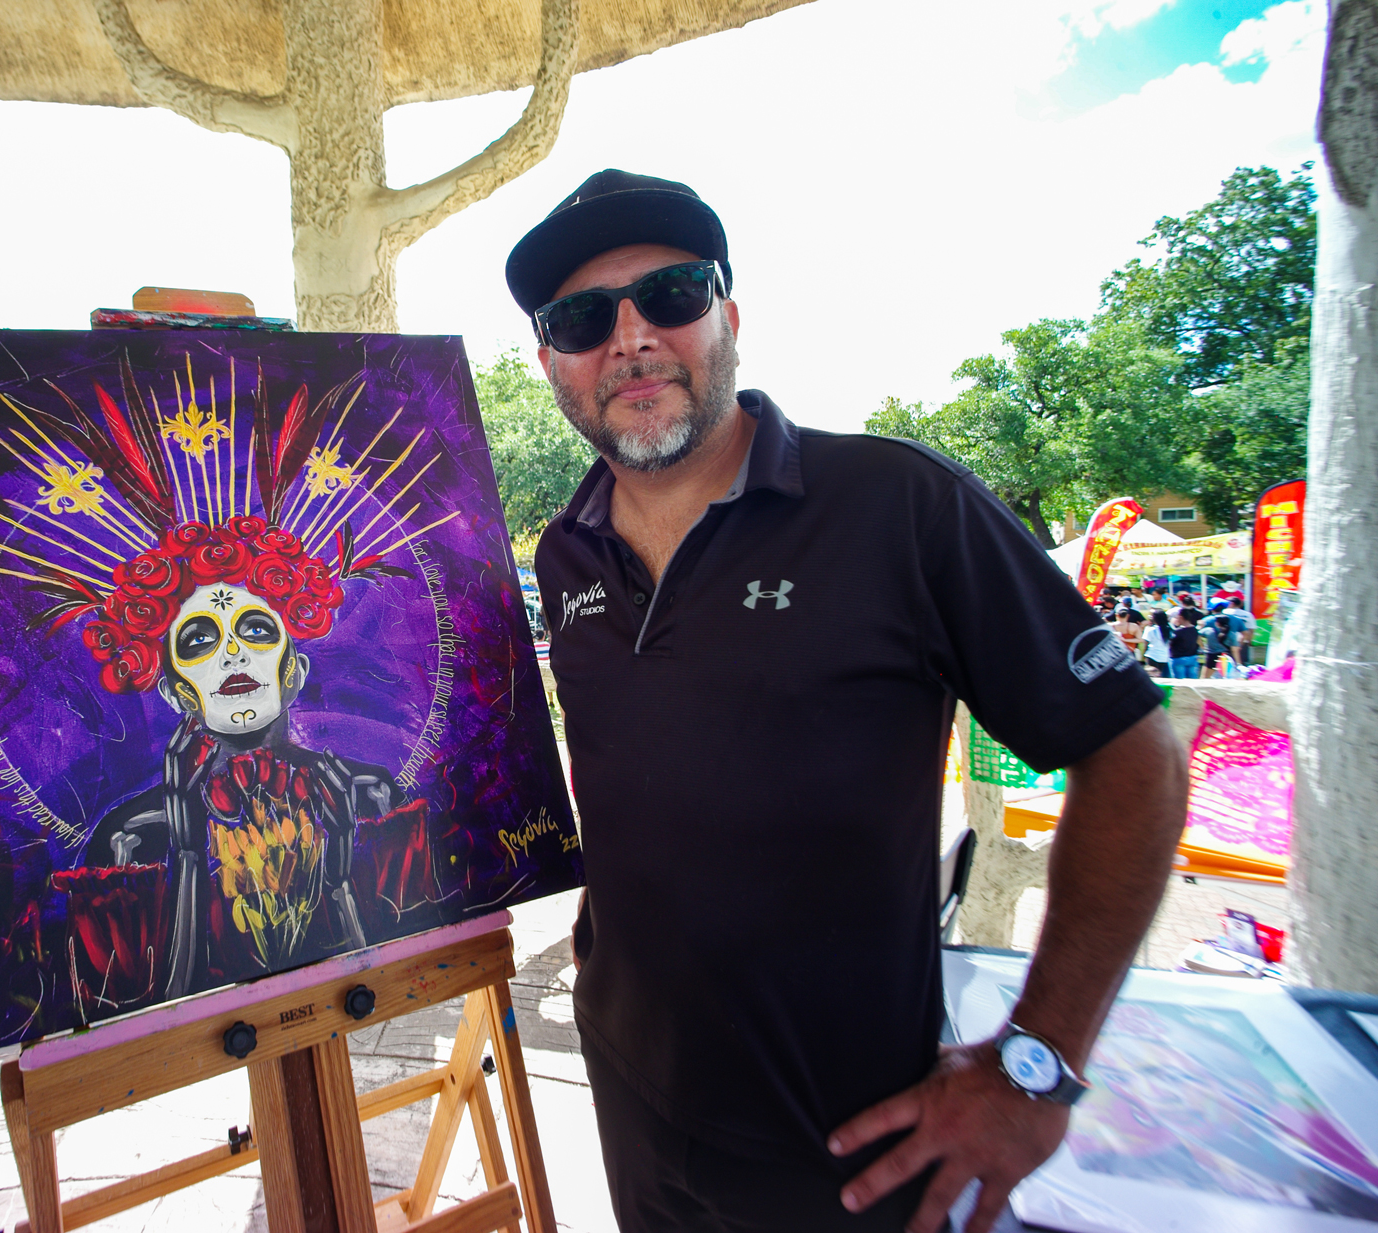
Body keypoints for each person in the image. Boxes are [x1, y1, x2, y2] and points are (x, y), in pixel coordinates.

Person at [509, 170, 1188, 1233]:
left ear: (727, 316)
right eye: (584, 319)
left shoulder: (898, 505)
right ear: (551, 361)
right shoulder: (564, 551)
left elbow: (1133, 754)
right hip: (631, 1097)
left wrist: (1038, 1062)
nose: (632, 338)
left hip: (853, 1143)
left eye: (672, 296)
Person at [1166, 609, 1201, 679]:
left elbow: (1169, 644)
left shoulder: (1178, 632)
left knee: (1180, 684)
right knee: (1193, 683)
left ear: (1181, 617)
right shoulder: (1195, 630)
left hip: (1178, 659)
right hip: (1192, 658)